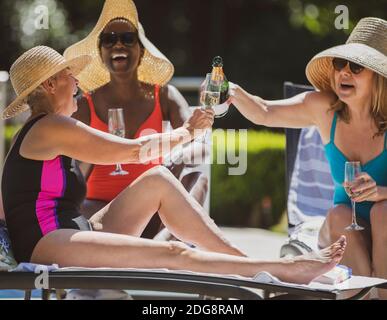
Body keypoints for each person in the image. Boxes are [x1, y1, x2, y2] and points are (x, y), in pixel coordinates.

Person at [0, 46, 346, 285]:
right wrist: (188, 132)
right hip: (50, 241)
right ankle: (285, 269)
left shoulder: (40, 131)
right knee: (173, 252)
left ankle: (253, 267)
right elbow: (133, 151)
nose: (77, 83)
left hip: (75, 230)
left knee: (158, 181)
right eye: (69, 77)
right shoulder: (50, 126)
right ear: (49, 84)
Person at [228, 17, 387, 296]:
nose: (343, 73)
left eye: (356, 66)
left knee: (383, 211)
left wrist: (380, 193)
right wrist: (232, 92)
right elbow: (264, 112)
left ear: (379, 77)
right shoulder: (324, 108)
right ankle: (367, 292)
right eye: (340, 64)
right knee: (339, 213)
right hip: (344, 228)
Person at [64, 0, 209, 239]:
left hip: (153, 208)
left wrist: (180, 152)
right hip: (101, 210)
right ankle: (165, 248)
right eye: (109, 40)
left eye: (127, 38)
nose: (118, 44)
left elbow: (198, 138)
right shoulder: (83, 104)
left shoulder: (164, 95)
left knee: (197, 178)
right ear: (101, 53)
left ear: (141, 51)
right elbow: (65, 163)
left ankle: (165, 243)